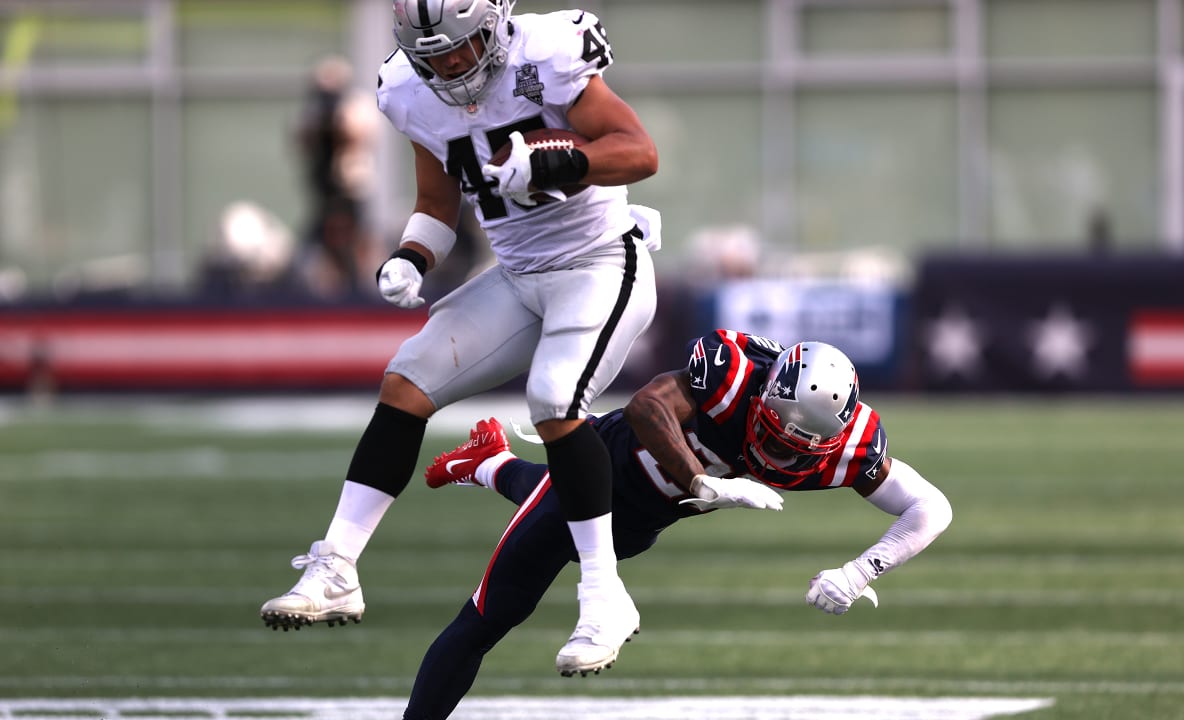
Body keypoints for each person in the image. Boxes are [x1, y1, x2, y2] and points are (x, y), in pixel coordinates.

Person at [260, 0, 662, 678]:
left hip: (599, 262)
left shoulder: (548, 55)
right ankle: (337, 569)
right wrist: (410, 259)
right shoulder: (408, 92)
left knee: (553, 400)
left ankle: (604, 595)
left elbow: (638, 152)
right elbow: (437, 206)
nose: (447, 64)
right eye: (432, 53)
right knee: (407, 380)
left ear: (496, 25)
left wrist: (548, 164)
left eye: (460, 47)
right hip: (517, 273)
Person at [403, 332, 954, 718]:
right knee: (490, 616)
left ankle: (488, 461)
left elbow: (931, 506)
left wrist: (862, 571)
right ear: (764, 397)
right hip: (597, 470)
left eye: (798, 451)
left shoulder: (853, 448)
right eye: (774, 434)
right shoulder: (734, 375)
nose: (780, 459)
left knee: (566, 524)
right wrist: (701, 483)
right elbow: (646, 406)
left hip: (641, 526)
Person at [292, 55, 380, 297]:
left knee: (356, 239)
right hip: (324, 187)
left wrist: (337, 121)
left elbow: (357, 137)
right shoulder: (313, 110)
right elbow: (303, 142)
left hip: (352, 186)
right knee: (320, 240)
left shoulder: (357, 104)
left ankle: (362, 288)